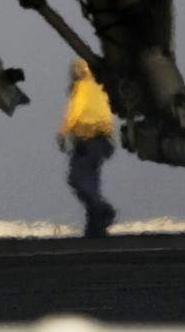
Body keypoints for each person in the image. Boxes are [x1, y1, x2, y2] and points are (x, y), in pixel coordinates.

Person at [56, 56, 118, 237]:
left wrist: (63, 133)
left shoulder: (81, 88)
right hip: (103, 141)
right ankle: (95, 226)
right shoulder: (101, 87)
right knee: (92, 180)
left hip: (87, 140)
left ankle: (102, 209)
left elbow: (75, 111)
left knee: (76, 178)